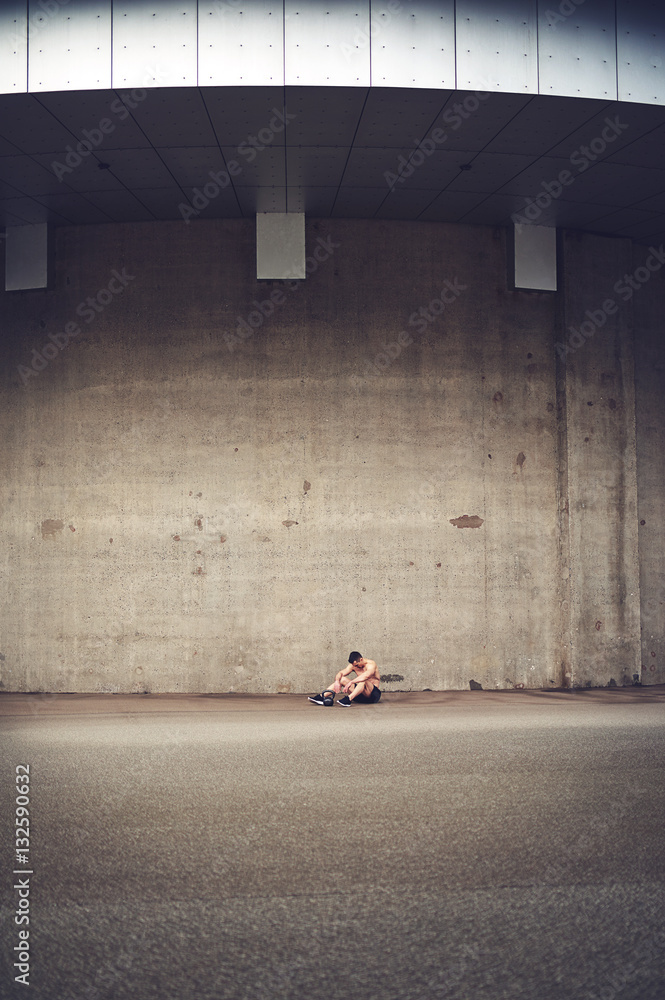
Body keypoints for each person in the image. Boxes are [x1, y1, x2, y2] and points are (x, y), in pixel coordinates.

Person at [308, 651, 382, 707]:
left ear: (361, 659)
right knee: (342, 679)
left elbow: (366, 676)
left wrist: (351, 682)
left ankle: (348, 700)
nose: (356, 667)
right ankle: (321, 697)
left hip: (372, 696)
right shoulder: (353, 666)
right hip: (359, 696)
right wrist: (337, 681)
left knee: (363, 680)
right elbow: (341, 673)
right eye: (354, 665)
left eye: (357, 665)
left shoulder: (371, 664)